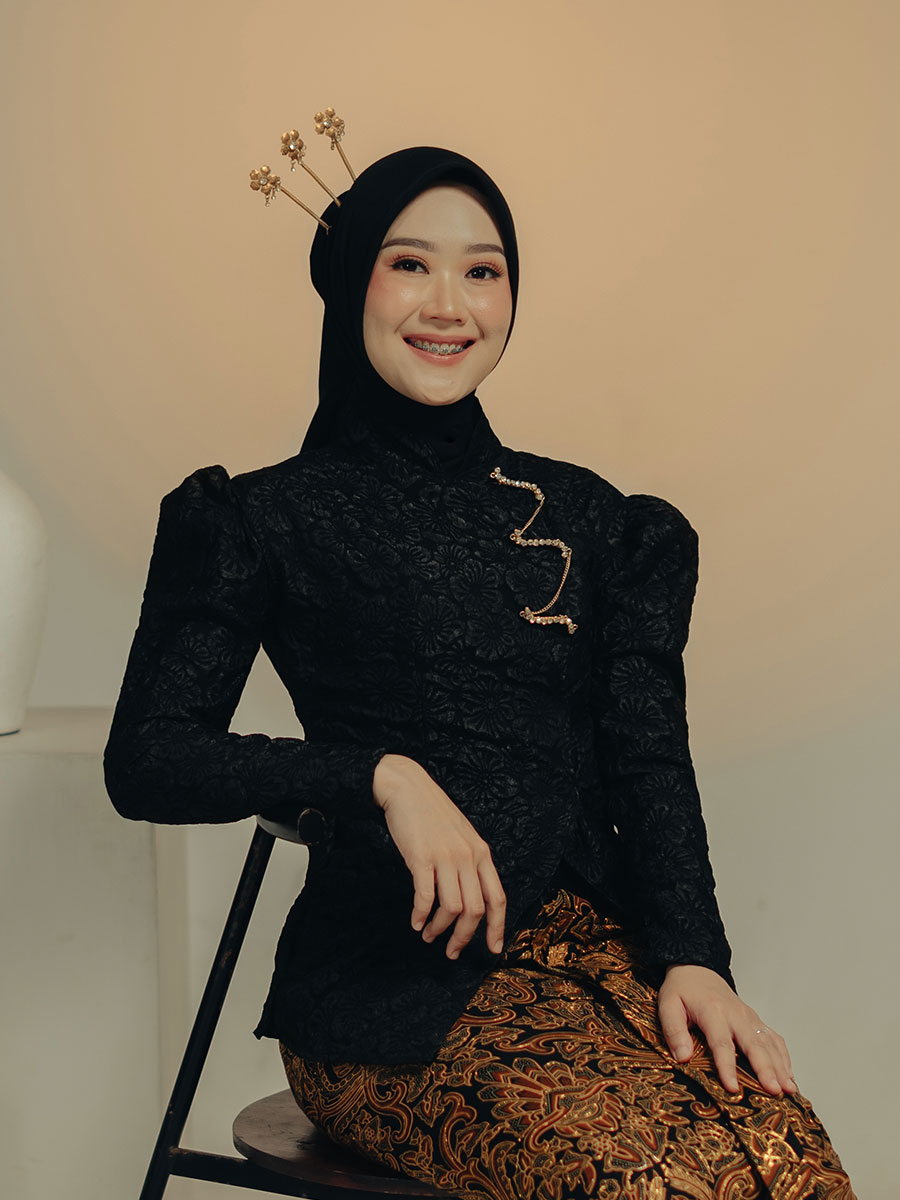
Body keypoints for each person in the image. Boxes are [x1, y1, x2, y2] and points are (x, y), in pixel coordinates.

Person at [105, 146, 855, 1198]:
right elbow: (148, 757)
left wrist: (697, 958)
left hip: (604, 970)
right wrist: (380, 776)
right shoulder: (263, 518)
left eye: (483, 271)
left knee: (797, 1171)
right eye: (409, 264)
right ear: (352, 281)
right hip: (387, 1002)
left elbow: (647, 757)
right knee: (654, 1189)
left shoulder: (597, 519)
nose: (449, 305)